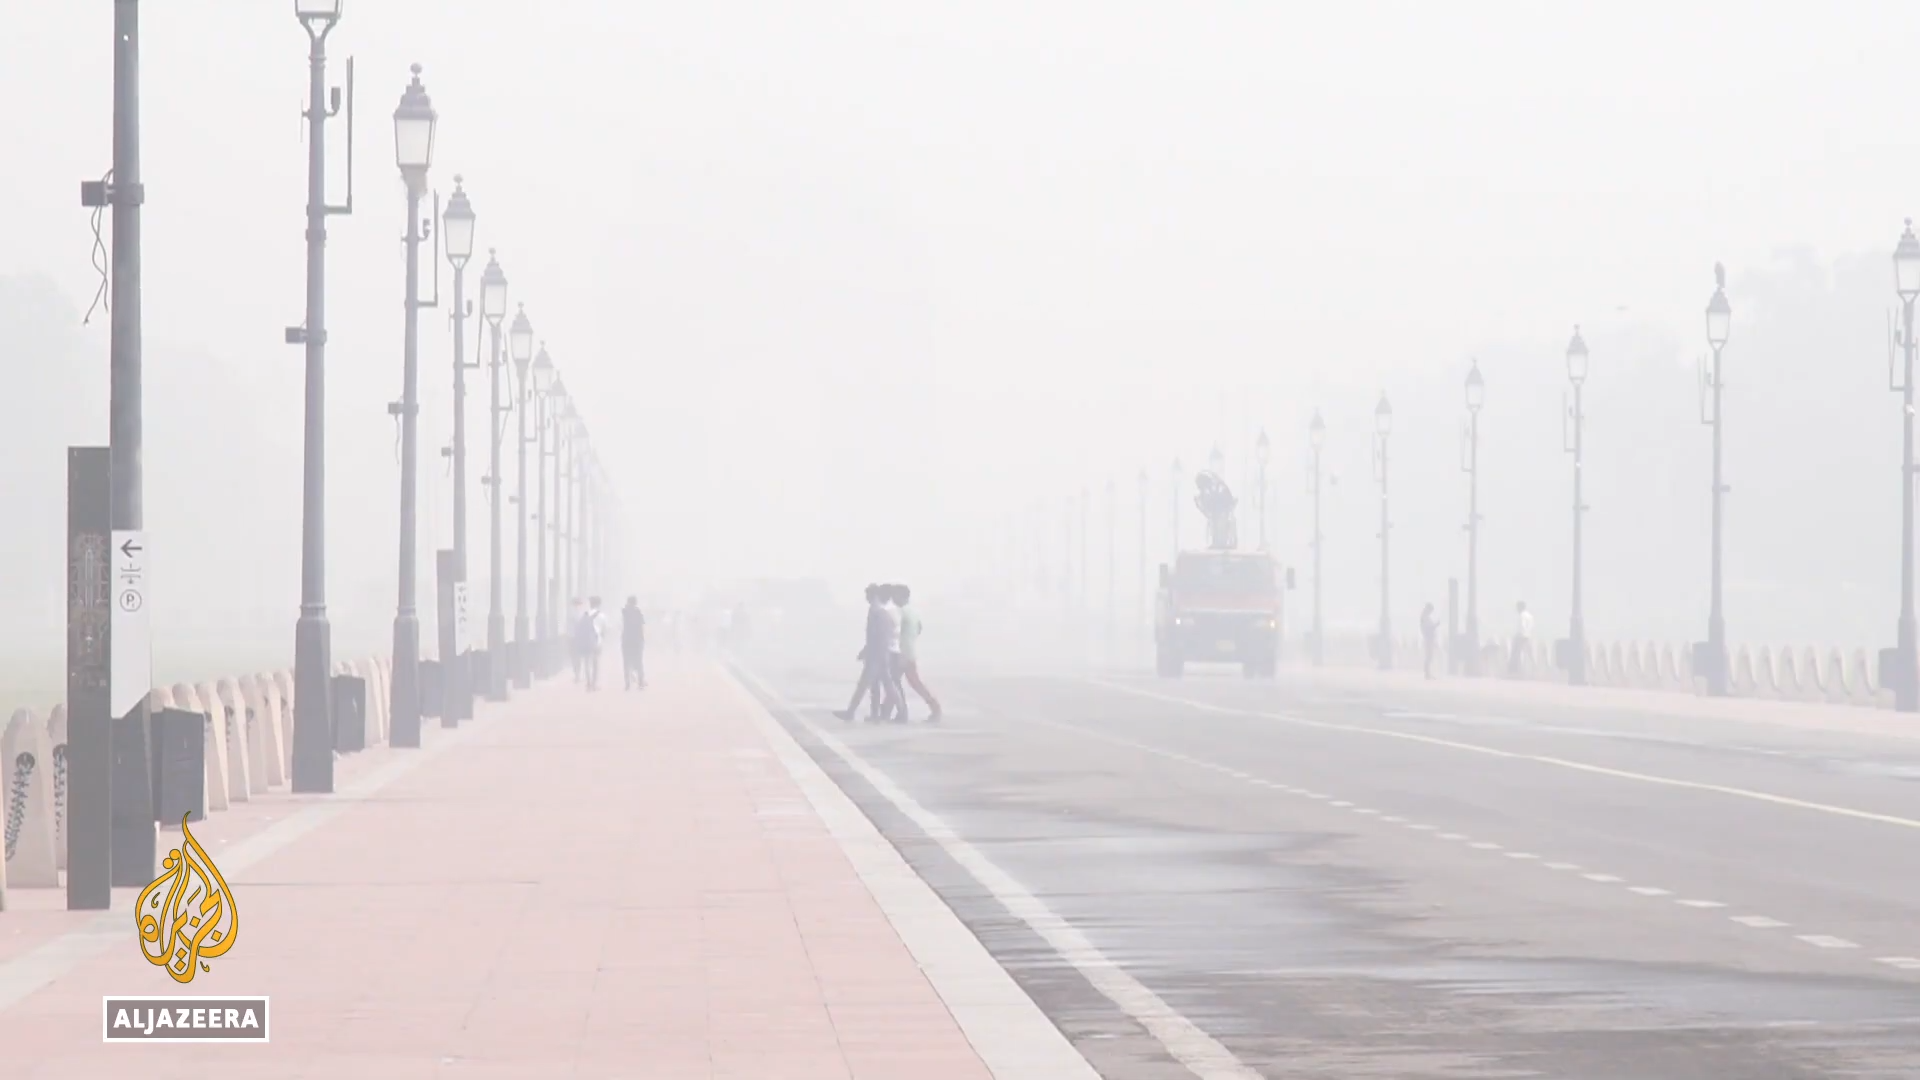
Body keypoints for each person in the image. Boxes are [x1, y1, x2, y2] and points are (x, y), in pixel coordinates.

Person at [834, 585, 892, 723]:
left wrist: (867, 651)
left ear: (873, 595)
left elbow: (874, 635)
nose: (866, 598)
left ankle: (851, 712)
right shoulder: (881, 611)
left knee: (865, 685)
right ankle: (875, 714)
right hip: (880, 653)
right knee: (877, 685)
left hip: (875, 654)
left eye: (867, 595)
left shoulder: (875, 611)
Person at [894, 584, 942, 722]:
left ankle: (932, 707)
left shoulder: (901, 612)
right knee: (901, 682)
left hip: (902, 652)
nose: (893, 598)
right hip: (909, 650)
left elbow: (895, 632)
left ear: (902, 596)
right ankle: (933, 707)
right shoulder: (913, 611)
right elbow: (919, 628)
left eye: (895, 595)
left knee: (899, 682)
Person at [574, 597, 609, 691]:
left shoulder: (585, 614)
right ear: (599, 604)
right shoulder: (602, 616)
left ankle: (588, 682)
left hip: (586, 641)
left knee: (587, 662)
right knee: (595, 663)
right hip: (597, 641)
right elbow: (605, 630)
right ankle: (594, 683)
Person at [622, 596, 647, 690]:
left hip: (626, 640)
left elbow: (620, 625)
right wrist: (643, 639)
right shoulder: (638, 612)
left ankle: (627, 684)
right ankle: (641, 682)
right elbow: (642, 627)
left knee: (626, 662)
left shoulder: (624, 612)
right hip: (637, 640)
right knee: (639, 662)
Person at [1510, 600, 1533, 675]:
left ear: (1520, 607)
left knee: (1517, 653)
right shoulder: (1530, 615)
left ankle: (1517, 671)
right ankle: (1530, 670)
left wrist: (1518, 636)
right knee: (1528, 654)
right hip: (1528, 636)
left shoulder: (1522, 615)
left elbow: (1522, 626)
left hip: (1521, 636)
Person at [568, 597, 586, 682]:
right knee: (574, 657)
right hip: (574, 638)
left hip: (577, 638)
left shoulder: (582, 614)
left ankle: (577, 674)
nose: (578, 606)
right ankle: (577, 673)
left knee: (577, 657)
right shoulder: (572, 614)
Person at [1419, 602, 1440, 680]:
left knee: (1429, 656)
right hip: (1428, 639)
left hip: (1429, 638)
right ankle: (1427, 673)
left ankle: (1428, 673)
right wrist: (1436, 625)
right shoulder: (1425, 617)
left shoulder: (1425, 617)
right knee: (1429, 656)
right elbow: (1428, 628)